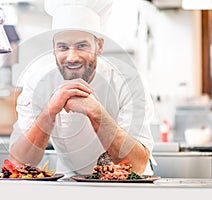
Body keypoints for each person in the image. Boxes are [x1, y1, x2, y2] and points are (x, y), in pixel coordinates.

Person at [9, 0, 155, 177]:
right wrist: (50, 112)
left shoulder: (128, 82)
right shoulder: (38, 83)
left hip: (127, 185)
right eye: (63, 47)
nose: (72, 57)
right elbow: (19, 161)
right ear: (53, 49)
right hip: (72, 183)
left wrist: (97, 114)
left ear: (99, 46)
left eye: (82, 46)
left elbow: (137, 165)